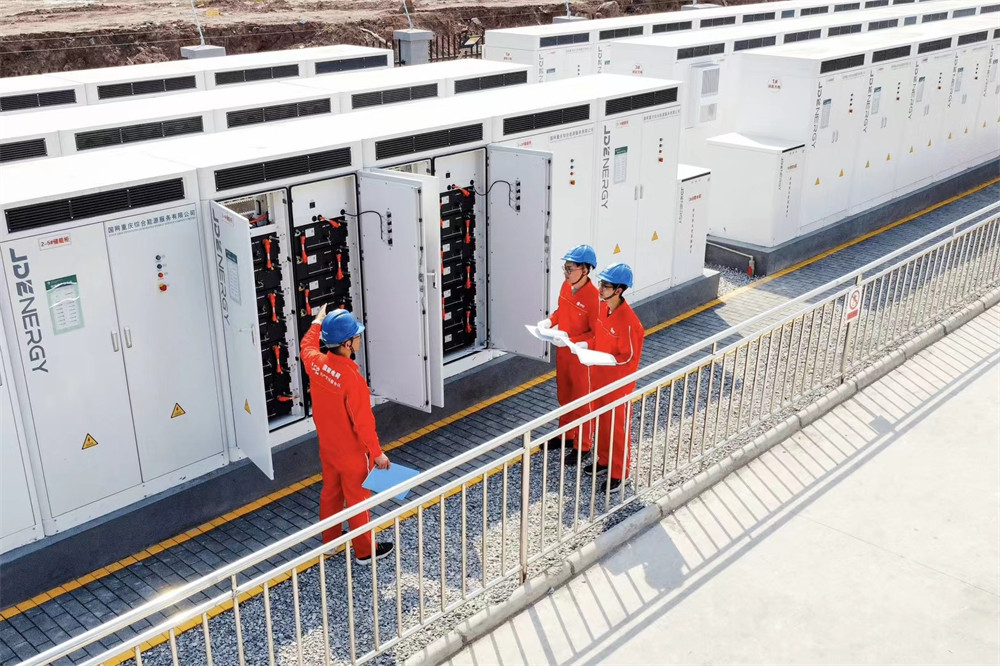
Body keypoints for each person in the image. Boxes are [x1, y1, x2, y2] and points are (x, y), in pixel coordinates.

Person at [301, 304, 394, 565]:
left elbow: (306, 345)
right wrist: (377, 454)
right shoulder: (352, 380)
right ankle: (365, 551)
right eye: (356, 337)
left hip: (328, 448)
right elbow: (363, 424)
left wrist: (318, 321)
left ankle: (330, 543)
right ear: (347, 344)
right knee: (357, 500)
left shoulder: (316, 362)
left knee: (330, 492)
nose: (359, 339)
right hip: (352, 454)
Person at [537, 244, 600, 466]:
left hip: (582, 357)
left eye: (570, 269)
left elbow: (597, 333)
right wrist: (550, 321)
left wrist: (576, 342)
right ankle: (567, 435)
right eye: (565, 268)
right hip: (563, 352)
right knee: (564, 395)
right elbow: (560, 311)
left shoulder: (594, 297)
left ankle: (584, 446)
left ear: (585, 270)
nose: (566, 273)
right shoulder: (566, 286)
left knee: (582, 400)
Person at [590, 263, 644, 490]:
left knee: (617, 429)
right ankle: (604, 460)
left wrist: (607, 360)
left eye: (605, 285)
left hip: (618, 385)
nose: (600, 288)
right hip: (600, 378)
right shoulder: (603, 309)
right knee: (601, 422)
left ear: (619, 290)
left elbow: (629, 357)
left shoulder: (630, 323)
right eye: (600, 283)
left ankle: (619, 472)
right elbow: (598, 338)